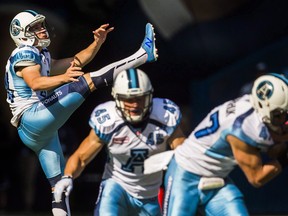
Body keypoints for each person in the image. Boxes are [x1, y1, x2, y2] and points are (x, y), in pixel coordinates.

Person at [5, 9, 158, 216]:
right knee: (88, 81)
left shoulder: (39, 54)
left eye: (41, 25)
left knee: (59, 188)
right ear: (22, 33)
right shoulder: (25, 52)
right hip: (33, 117)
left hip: (38, 129)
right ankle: (141, 55)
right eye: (35, 27)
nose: (42, 30)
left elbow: (75, 61)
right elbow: (36, 82)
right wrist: (64, 79)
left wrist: (97, 43)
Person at [53, 68, 186, 215]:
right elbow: (81, 157)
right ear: (117, 99)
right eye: (129, 99)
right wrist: (67, 176)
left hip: (149, 195)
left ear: (149, 96)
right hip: (116, 188)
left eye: (140, 98)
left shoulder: (164, 116)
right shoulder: (109, 120)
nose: (135, 105)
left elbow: (184, 154)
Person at [160, 73, 288, 215]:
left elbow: (273, 149)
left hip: (216, 178)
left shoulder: (255, 110)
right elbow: (257, 178)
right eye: (280, 115)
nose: (284, 120)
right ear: (263, 106)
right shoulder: (242, 128)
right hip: (184, 174)